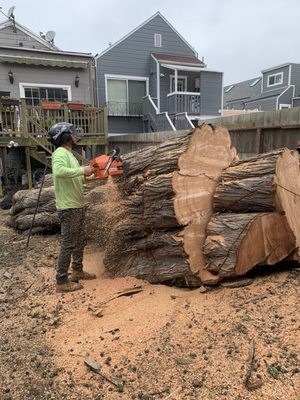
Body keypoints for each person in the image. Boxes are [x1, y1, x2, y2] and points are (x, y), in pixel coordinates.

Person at [48, 122, 96, 293]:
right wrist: (83, 169)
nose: (74, 135)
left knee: (80, 240)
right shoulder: (60, 153)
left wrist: (93, 175)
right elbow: (59, 172)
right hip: (68, 207)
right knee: (68, 244)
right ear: (64, 136)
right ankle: (61, 280)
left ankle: (77, 270)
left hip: (77, 204)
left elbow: (78, 177)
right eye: (71, 133)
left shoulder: (70, 154)